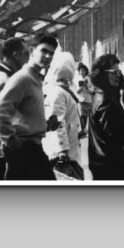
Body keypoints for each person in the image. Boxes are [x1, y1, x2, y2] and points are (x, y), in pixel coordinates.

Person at [0, 34, 58, 181]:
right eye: (44, 51)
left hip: (31, 146)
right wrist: (10, 139)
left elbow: (24, 114)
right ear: (32, 51)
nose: (48, 56)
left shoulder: (35, 78)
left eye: (51, 53)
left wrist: (45, 124)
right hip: (25, 148)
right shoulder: (23, 78)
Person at [88, 54, 124, 180]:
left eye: (119, 71)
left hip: (105, 164)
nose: (118, 75)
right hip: (112, 167)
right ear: (101, 73)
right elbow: (113, 137)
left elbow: (112, 128)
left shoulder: (101, 95)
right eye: (114, 72)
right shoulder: (106, 101)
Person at [0, 38, 30, 180]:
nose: (29, 58)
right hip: (4, 150)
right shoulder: (5, 81)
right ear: (16, 55)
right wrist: (14, 143)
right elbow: (2, 118)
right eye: (26, 54)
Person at [44, 52, 84, 180]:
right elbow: (56, 122)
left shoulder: (60, 90)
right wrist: (62, 149)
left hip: (69, 145)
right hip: (62, 152)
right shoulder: (57, 92)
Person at [75, 62, 94, 139]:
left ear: (86, 71)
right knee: (82, 116)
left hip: (88, 101)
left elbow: (92, 90)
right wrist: (81, 88)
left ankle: (86, 131)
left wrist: (87, 88)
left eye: (83, 70)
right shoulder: (77, 78)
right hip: (80, 101)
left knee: (87, 117)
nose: (81, 72)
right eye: (80, 70)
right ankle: (82, 130)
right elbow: (76, 91)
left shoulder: (89, 79)